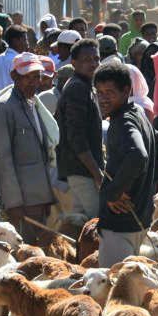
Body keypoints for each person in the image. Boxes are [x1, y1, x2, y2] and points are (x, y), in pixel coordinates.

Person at [94, 62, 158, 266]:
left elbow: (138, 155)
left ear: (126, 90)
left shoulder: (124, 122)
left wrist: (114, 192)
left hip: (120, 225)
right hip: (138, 219)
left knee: (115, 290)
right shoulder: (138, 114)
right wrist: (141, 187)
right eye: (99, 92)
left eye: (109, 92)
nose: (103, 98)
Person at [0, 53, 58, 244]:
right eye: (28, 77)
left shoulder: (33, 104)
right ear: (14, 76)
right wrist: (13, 203)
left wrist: (46, 196)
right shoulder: (4, 108)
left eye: (37, 77)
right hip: (22, 202)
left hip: (39, 197)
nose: (34, 82)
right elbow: (3, 159)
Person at [55, 39, 104, 219]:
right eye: (86, 59)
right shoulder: (77, 88)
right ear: (73, 62)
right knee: (97, 223)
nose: (93, 63)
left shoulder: (84, 85)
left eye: (96, 59)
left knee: (79, 222)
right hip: (82, 170)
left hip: (79, 169)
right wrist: (97, 173)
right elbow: (76, 137)